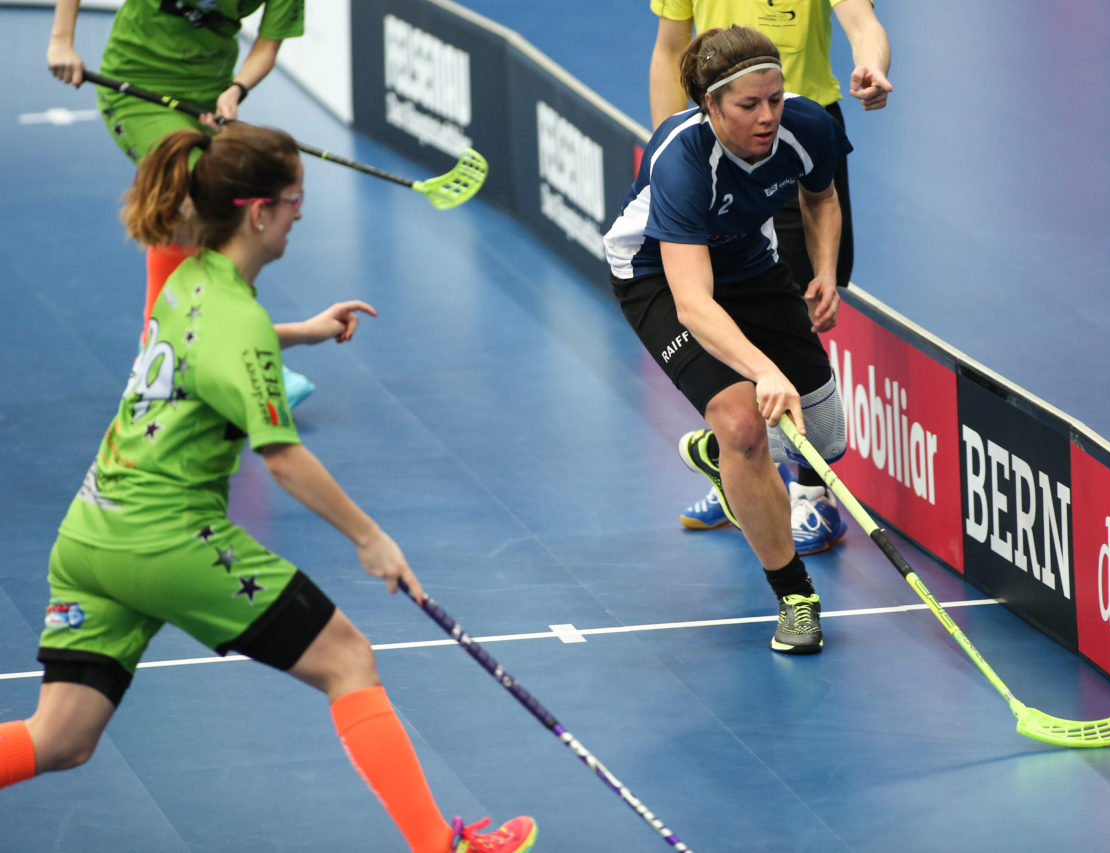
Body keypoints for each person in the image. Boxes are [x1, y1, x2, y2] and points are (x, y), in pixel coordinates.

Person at [0, 124, 537, 853]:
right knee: (349, 659)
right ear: (257, 212)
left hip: (92, 535)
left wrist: (303, 333)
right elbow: (281, 457)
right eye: (293, 200)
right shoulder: (239, 319)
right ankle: (442, 847)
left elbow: (210, 347)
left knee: (59, 736)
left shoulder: (184, 272)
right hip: (169, 539)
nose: (300, 213)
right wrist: (370, 538)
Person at [605, 25, 851, 654]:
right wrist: (762, 371)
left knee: (825, 442)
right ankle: (795, 595)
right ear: (710, 107)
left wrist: (824, 271)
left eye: (774, 98)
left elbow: (820, 198)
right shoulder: (682, 162)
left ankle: (720, 460)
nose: (768, 116)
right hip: (659, 279)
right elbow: (693, 304)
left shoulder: (806, 125)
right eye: (748, 105)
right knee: (743, 422)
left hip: (749, 264)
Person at [649, 0, 892, 553]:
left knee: (800, 312)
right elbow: (669, 49)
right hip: (718, 138)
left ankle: (811, 495)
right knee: (725, 302)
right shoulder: (688, 157)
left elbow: (861, 22)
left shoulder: (797, 120)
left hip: (793, 143)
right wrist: (667, 143)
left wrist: (873, 66)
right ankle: (743, 464)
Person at [47, 0, 316, 409]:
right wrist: (61, 41)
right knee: (196, 198)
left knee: (223, 205)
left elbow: (267, 44)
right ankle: (166, 351)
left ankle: (213, 346)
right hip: (136, 84)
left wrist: (236, 89)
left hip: (207, 94)